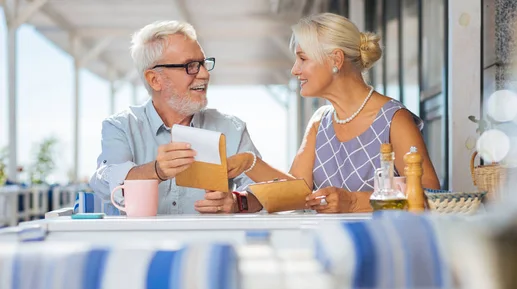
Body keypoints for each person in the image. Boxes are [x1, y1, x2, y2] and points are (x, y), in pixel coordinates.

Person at [226, 13, 440, 213]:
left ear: (336, 60)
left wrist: (354, 201)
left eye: (303, 58)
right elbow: (296, 195)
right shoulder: (320, 121)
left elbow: (429, 194)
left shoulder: (394, 118)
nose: (294, 69)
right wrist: (249, 162)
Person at [89, 20, 263, 214]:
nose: (204, 74)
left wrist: (238, 202)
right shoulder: (120, 126)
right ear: (155, 80)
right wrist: (156, 170)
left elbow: (265, 192)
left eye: (203, 64)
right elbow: (104, 184)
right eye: (191, 66)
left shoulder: (232, 129)